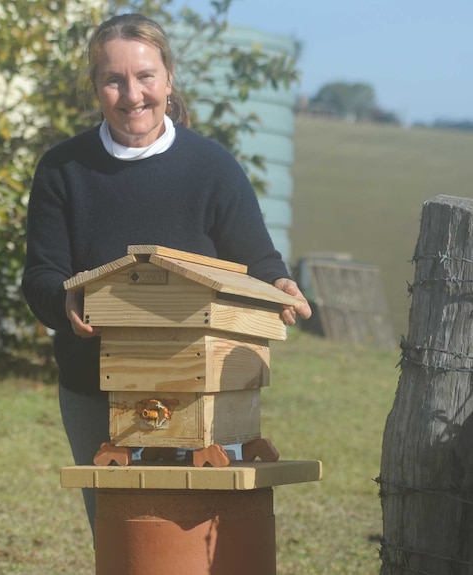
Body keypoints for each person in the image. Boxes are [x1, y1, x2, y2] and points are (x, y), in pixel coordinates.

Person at [20, 13, 312, 537]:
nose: (132, 94)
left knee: (193, 539)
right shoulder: (62, 169)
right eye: (114, 79)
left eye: (145, 76)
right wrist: (65, 301)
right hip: (93, 389)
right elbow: (41, 275)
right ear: (96, 88)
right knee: (123, 540)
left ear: (169, 78)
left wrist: (281, 285)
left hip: (197, 388)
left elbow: (258, 262)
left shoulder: (213, 168)